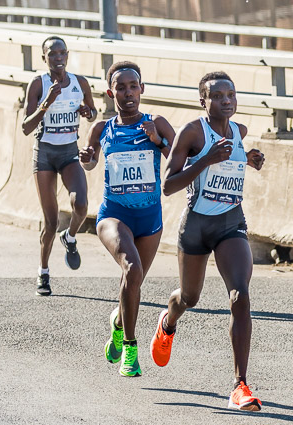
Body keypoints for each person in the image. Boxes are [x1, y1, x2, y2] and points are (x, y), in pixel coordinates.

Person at [149, 71, 265, 410]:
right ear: (203, 101)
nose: (226, 100)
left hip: (231, 225)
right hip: (197, 228)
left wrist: (251, 159)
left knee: (240, 295)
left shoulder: (239, 132)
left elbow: (237, 160)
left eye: (231, 94)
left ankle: (240, 385)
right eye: (217, 96)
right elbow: (167, 186)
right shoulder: (192, 132)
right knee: (189, 297)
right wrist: (205, 159)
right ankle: (168, 322)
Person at [79, 61, 175, 377]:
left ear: (142, 89)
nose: (128, 92)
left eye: (133, 86)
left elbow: (182, 158)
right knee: (131, 270)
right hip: (114, 216)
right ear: (111, 92)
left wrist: (158, 141)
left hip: (150, 219)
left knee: (132, 282)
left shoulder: (156, 123)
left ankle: (119, 323)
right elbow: (91, 161)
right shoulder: (102, 128)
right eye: (121, 87)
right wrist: (88, 159)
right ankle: (131, 350)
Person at [22, 36, 97, 296]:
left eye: (62, 53)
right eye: (52, 54)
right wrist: (46, 104)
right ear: (44, 58)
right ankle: (43, 272)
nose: (58, 58)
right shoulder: (38, 84)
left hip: (68, 152)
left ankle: (71, 237)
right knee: (51, 221)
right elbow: (25, 127)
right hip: (44, 155)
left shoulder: (79, 83)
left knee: (81, 204)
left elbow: (94, 111)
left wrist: (88, 112)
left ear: (67, 55)